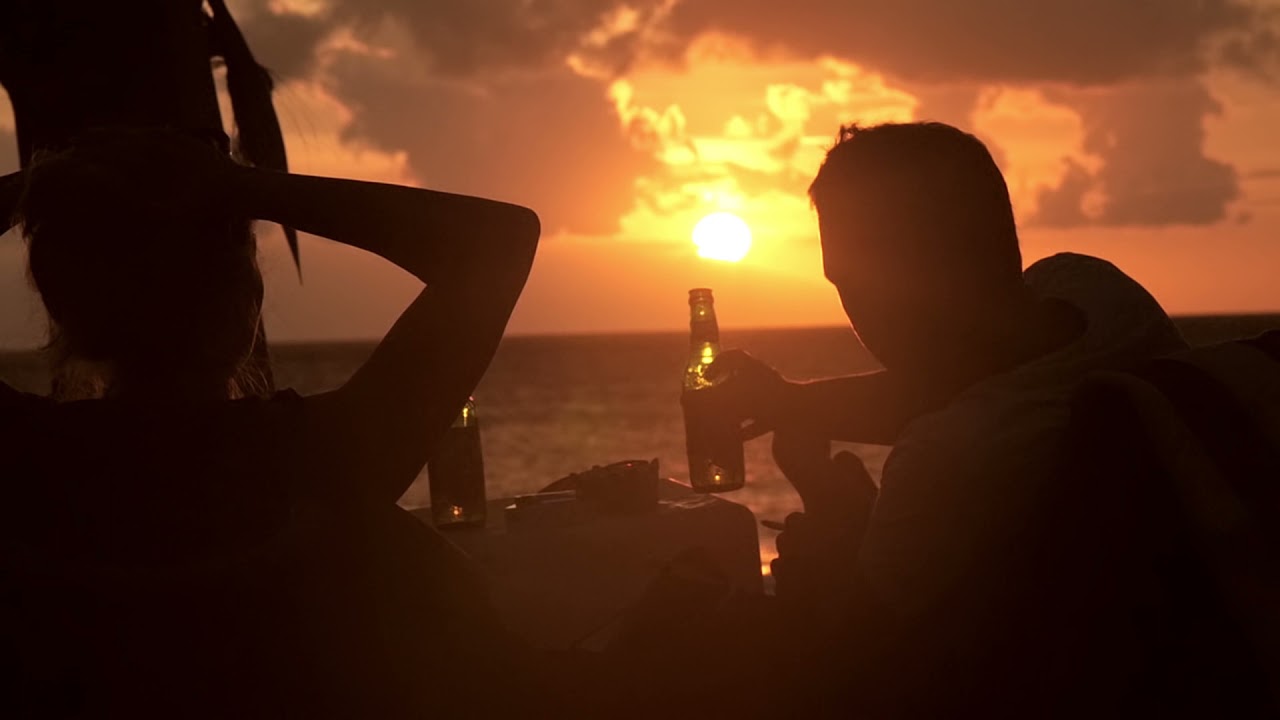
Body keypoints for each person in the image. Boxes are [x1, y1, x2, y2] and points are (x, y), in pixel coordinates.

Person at [0, 128, 541, 716]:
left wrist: (47, 187)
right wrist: (245, 187)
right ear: (244, 303)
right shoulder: (325, 458)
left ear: (61, 303)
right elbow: (497, 241)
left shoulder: (26, 463)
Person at [701, 122, 1189, 714]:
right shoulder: (1098, 294)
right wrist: (791, 401)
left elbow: (849, 675)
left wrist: (834, 506)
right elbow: (966, 379)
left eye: (848, 280)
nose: (853, 306)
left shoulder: (947, 458)